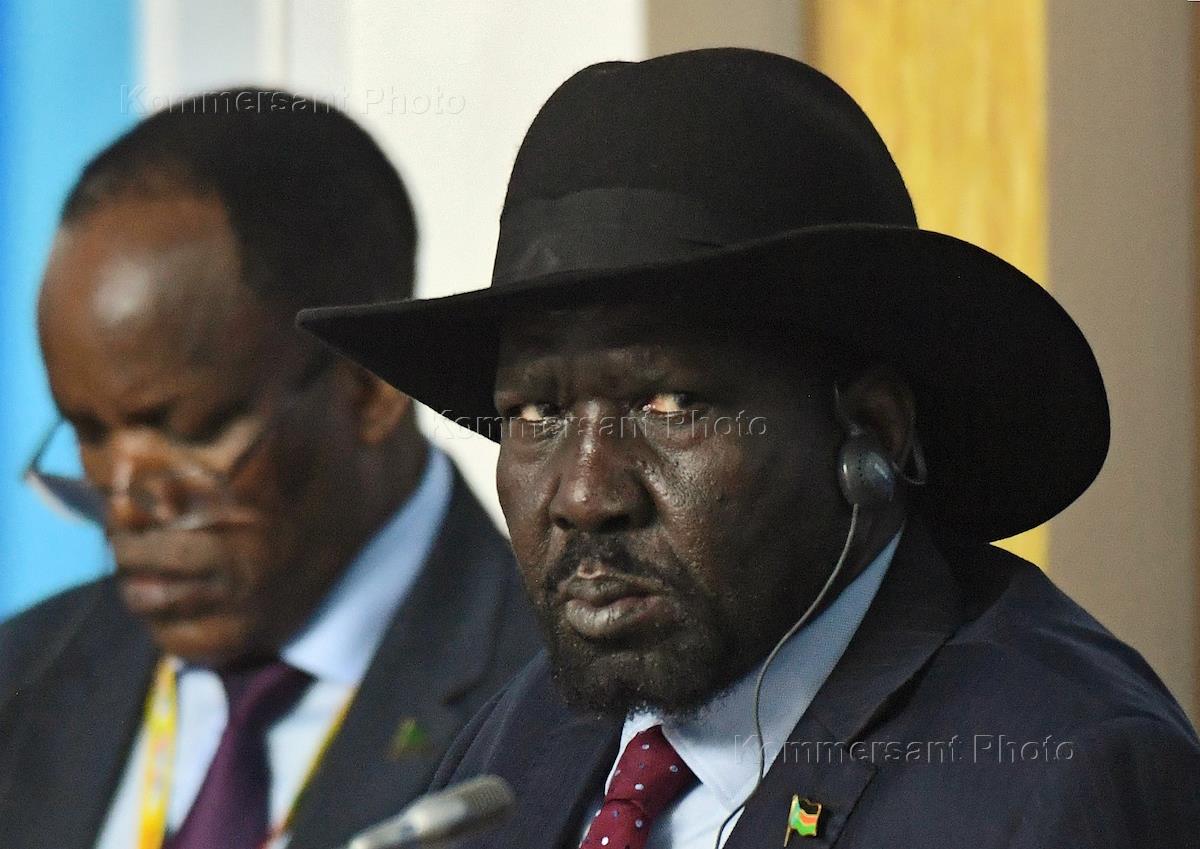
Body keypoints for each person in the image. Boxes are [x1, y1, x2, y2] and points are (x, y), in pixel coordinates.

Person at [298, 49, 1200, 848]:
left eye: (669, 405)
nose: (584, 494)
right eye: (536, 412)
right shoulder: (525, 735)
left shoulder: (1055, 775)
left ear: (873, 432)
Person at [0, 89, 540, 849]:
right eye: (90, 434)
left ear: (370, 389)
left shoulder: (562, 702)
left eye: (192, 433)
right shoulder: (22, 680)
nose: (125, 505)